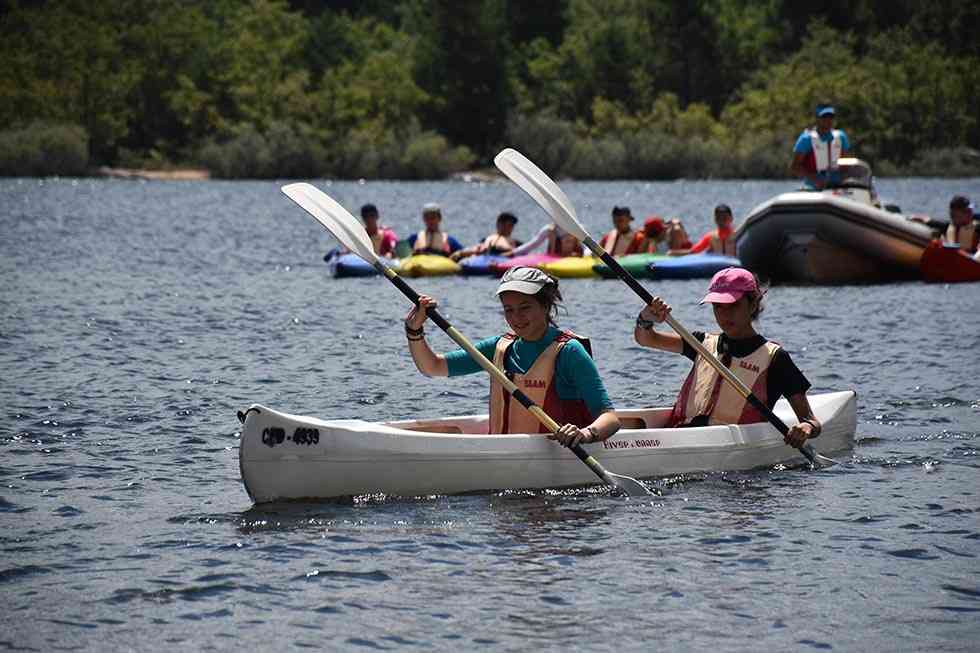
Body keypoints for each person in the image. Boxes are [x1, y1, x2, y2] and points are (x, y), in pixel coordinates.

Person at [403, 266, 620, 445]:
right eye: (509, 310)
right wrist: (414, 331)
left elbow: (610, 418)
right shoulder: (499, 346)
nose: (516, 318)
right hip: (504, 452)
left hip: (557, 455)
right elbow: (432, 366)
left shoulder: (569, 351)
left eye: (524, 308)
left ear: (545, 306)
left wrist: (585, 434)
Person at [633, 267, 820, 449]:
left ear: (753, 304)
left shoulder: (775, 358)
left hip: (733, 447)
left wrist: (804, 428)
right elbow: (646, 338)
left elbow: (811, 421)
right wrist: (646, 318)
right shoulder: (700, 342)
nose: (724, 314)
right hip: (680, 436)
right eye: (718, 307)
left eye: (733, 305)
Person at [790, 103, 851, 190]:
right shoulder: (806, 139)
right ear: (817, 119)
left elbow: (846, 164)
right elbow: (795, 167)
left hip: (837, 185)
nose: (828, 120)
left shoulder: (841, 137)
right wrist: (815, 180)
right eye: (824, 117)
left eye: (831, 117)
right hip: (813, 186)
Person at [910, 195, 978, 253]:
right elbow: (927, 220)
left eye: (970, 211)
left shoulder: (977, 228)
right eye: (966, 211)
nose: (970, 213)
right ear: (953, 214)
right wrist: (914, 218)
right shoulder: (946, 226)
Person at [669, 204, 737, 256]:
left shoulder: (737, 235)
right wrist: (674, 253)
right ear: (715, 220)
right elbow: (693, 251)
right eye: (719, 218)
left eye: (724, 218)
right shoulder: (711, 237)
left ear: (731, 218)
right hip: (718, 269)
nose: (721, 221)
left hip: (735, 268)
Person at [451, 212, 522, 261]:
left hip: (505, 254)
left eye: (511, 226)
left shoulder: (516, 242)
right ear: (498, 224)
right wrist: (460, 253)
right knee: (481, 247)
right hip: (488, 252)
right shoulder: (489, 239)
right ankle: (460, 253)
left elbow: (520, 253)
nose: (510, 228)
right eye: (508, 225)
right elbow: (478, 249)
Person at [508, 223, 584, 257]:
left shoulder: (577, 228)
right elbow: (532, 244)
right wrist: (512, 253)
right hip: (555, 257)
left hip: (575, 256)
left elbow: (586, 248)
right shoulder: (549, 229)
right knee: (552, 232)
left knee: (571, 237)